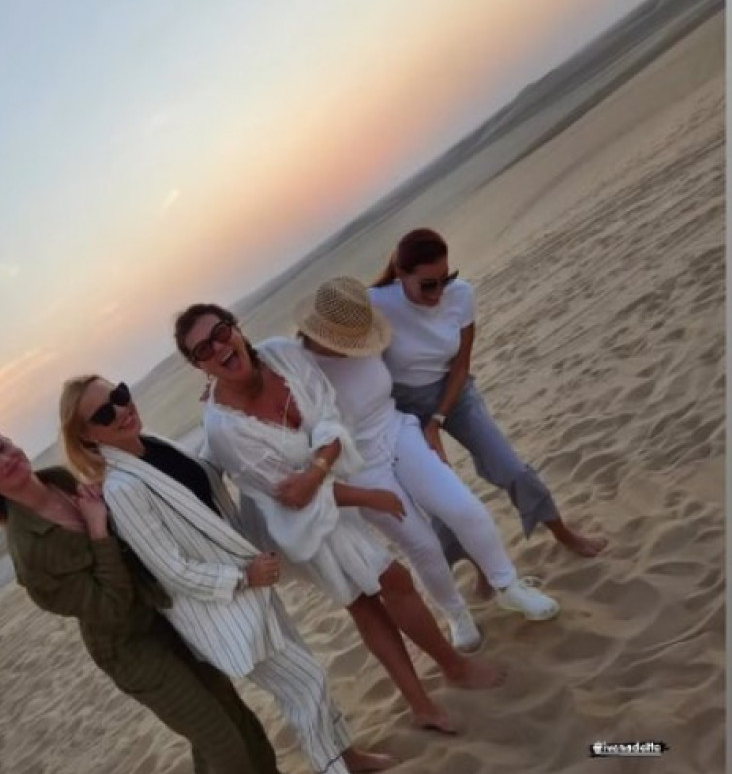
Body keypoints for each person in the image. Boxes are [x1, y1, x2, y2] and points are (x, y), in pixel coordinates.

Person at [0, 423, 315, 774]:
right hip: (129, 650)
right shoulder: (31, 556)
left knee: (233, 711)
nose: (5, 460)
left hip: (165, 616)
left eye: (2, 446)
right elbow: (110, 605)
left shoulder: (62, 480)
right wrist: (98, 531)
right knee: (223, 744)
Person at [59, 374, 391, 774]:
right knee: (305, 685)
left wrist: (216, 409)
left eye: (118, 395)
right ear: (86, 435)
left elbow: (205, 482)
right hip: (225, 608)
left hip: (255, 583)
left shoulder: (152, 445)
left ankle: (347, 753)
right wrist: (241, 578)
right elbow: (172, 569)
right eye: (103, 412)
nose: (121, 409)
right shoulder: (122, 489)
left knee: (306, 670)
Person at [173, 303, 506, 737]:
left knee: (369, 595)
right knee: (385, 586)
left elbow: (329, 416)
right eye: (203, 349)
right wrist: (366, 494)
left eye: (220, 332)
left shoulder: (281, 354)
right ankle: (448, 673)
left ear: (236, 327)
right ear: (198, 366)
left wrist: (317, 469)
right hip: (295, 524)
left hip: (322, 488)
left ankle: (426, 696)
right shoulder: (225, 430)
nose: (218, 348)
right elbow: (291, 497)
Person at [295, 277, 561, 645]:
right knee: (422, 544)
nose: (353, 346)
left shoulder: (365, 329)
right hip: (359, 466)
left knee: (464, 508)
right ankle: (456, 614)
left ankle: (509, 586)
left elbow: (407, 284)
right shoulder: (298, 366)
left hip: (399, 432)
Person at [369, 229, 607, 558]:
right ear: (400, 273)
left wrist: (437, 421)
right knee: (441, 496)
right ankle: (478, 569)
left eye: (445, 278)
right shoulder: (376, 303)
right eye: (428, 284)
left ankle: (564, 534)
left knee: (512, 469)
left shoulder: (461, 295)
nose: (438, 292)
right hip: (405, 406)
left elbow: (461, 366)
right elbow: (332, 345)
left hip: (454, 392)